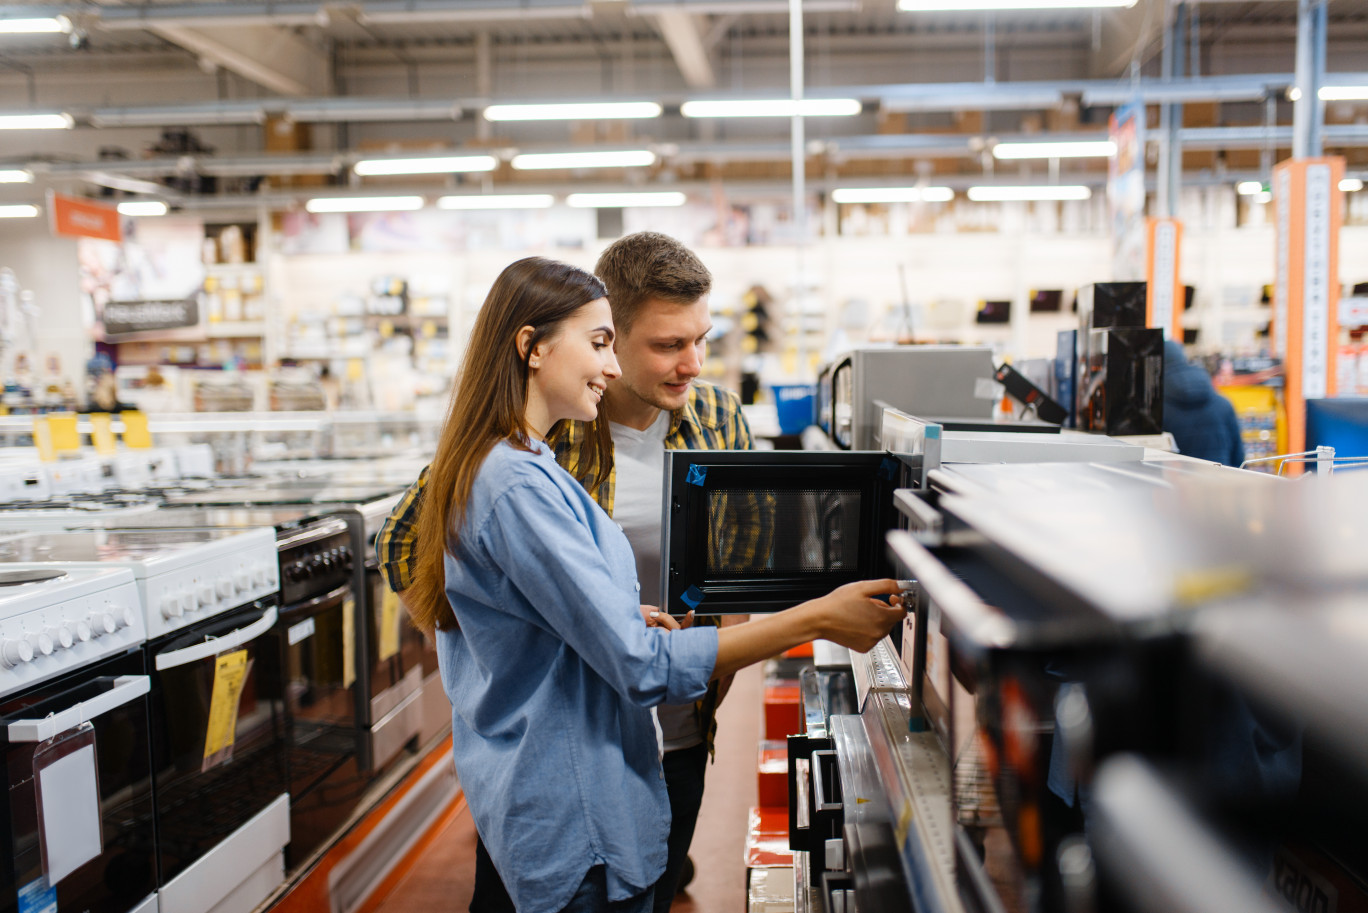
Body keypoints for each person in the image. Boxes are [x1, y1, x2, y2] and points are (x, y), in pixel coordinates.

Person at [396, 255, 903, 913]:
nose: (691, 363)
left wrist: (593, 617)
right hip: (565, 776)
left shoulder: (561, 452)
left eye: (701, 340)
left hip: (660, 735)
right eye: (652, 344)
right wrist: (816, 617)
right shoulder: (516, 476)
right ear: (533, 346)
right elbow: (426, 557)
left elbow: (734, 569)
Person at [379, 231, 766, 912]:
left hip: (675, 732)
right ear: (607, 334)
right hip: (560, 759)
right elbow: (406, 549)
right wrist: (508, 646)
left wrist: (713, 649)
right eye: (668, 345)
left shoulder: (716, 417)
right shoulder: (539, 433)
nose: (693, 364)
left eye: (701, 339)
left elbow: (741, 553)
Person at [1161, 340, 1245, 467]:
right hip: (1221, 483)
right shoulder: (1223, 404)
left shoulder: (1159, 411)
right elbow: (1239, 459)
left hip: (1180, 484)